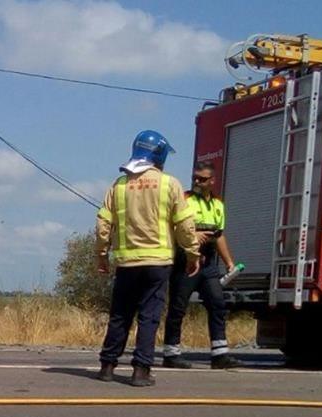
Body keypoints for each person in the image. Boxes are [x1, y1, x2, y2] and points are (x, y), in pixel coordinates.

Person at [95, 130, 199, 387]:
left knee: (120, 314)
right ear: (160, 155)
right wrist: (192, 253)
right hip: (158, 263)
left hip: (127, 264)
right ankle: (141, 371)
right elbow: (185, 226)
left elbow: (102, 225)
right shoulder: (169, 184)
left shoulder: (118, 185)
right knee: (149, 317)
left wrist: (101, 255)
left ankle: (107, 366)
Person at [161, 161, 240, 369]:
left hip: (208, 264)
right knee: (178, 307)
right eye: (195, 178)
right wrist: (192, 235)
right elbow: (170, 227)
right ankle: (171, 353)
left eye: (202, 179)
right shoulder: (185, 199)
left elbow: (219, 236)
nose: (197, 182)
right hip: (186, 260)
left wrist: (229, 262)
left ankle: (220, 354)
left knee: (217, 305)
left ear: (212, 181)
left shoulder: (218, 204)